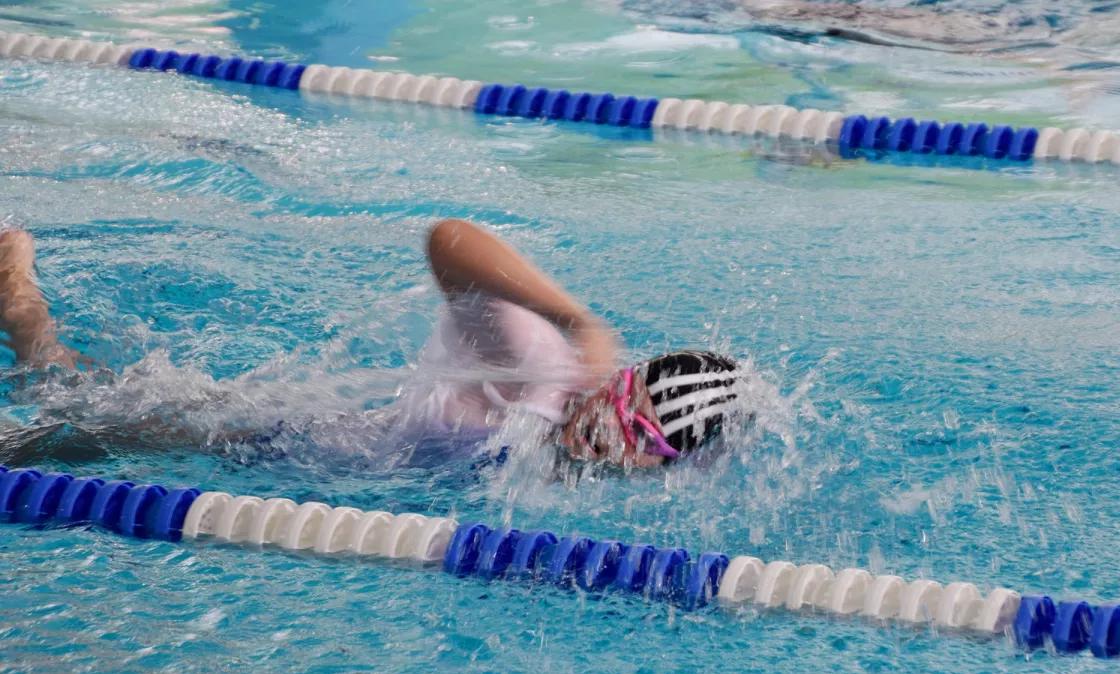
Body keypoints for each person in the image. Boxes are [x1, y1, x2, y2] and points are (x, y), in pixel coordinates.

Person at [0, 219, 743, 470]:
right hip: (273, 435)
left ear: (659, 463)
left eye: (639, 433)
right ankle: (22, 305)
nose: (607, 427)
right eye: (623, 402)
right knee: (61, 423)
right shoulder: (543, 369)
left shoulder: (590, 473)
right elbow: (449, 239)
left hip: (308, 466)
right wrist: (579, 320)